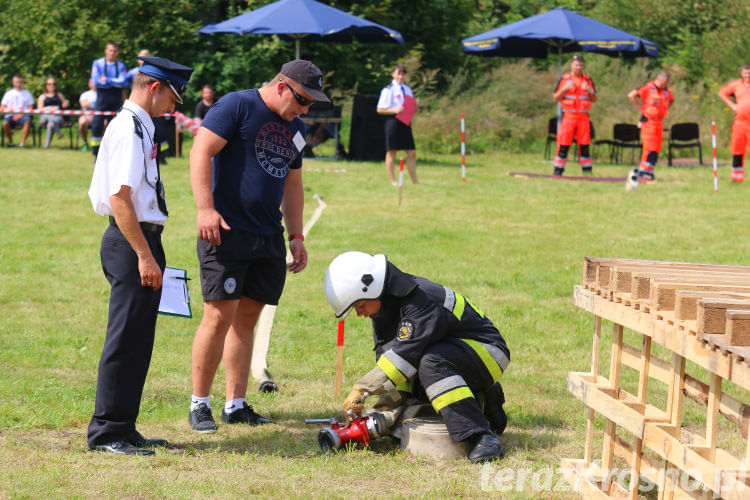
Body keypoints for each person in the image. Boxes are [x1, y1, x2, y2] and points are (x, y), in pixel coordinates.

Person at [187, 59, 328, 432]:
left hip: (268, 236)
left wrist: (296, 236)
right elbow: (200, 151)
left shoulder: (295, 129)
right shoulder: (237, 105)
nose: (304, 109)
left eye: (311, 104)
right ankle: (199, 403)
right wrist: (205, 210)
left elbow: (293, 185)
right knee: (218, 317)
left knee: (247, 319)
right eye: (302, 100)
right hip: (226, 231)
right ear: (282, 86)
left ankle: (235, 404)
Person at [86, 56, 193, 455]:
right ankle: (106, 432)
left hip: (142, 241)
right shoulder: (129, 128)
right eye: (172, 96)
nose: (174, 105)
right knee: (124, 338)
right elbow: (120, 198)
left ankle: (124, 426)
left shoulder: (141, 125)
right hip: (131, 243)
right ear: (154, 87)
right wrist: (144, 256)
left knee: (138, 339)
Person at [324, 251, 510, 463]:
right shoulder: (384, 309)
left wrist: (362, 388)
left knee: (431, 363)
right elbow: (393, 367)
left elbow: (404, 358)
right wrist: (385, 415)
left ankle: (480, 436)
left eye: (359, 305)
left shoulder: (420, 300)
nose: (359, 313)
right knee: (421, 389)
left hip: (488, 351)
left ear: (373, 287)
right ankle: (483, 398)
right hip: (452, 353)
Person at [552, 54, 597, 176]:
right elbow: (555, 98)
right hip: (568, 117)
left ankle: (587, 172)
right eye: (577, 64)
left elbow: (594, 99)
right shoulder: (564, 79)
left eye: (581, 64)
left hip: (583, 118)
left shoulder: (588, 80)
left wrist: (590, 90)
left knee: (584, 145)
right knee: (564, 144)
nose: (579, 67)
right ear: (572, 65)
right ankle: (558, 172)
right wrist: (564, 89)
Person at [628, 72, 674, 181]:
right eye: (663, 83)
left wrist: (665, 109)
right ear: (659, 80)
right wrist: (641, 108)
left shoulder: (666, 91)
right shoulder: (649, 87)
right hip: (649, 121)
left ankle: (649, 170)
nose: (665, 86)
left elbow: (671, 100)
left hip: (659, 121)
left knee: (657, 147)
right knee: (650, 146)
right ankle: (643, 170)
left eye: (666, 84)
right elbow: (631, 95)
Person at [377, 64, 418, 185]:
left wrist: (414, 106)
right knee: (392, 151)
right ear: (393, 74)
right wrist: (395, 110)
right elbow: (380, 109)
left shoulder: (408, 89)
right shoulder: (388, 89)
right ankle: (393, 181)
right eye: (398, 73)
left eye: (403, 73)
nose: (401, 76)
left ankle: (415, 181)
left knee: (411, 152)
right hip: (393, 121)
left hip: (405, 122)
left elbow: (410, 104)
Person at [90, 42, 128, 157]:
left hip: (116, 98)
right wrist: (115, 81)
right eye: (110, 50)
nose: (112, 53)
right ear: (106, 51)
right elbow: (96, 81)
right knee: (96, 124)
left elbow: (123, 82)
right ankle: (96, 153)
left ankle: (115, 152)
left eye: (115, 51)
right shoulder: (98, 63)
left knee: (116, 125)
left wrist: (106, 79)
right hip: (102, 97)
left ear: (118, 53)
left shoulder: (121, 65)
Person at [718, 64, 750, 183]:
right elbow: (722, 93)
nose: (748, 75)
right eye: (746, 72)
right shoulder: (736, 84)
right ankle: (736, 177)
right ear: (742, 73)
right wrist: (732, 106)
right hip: (740, 122)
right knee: (737, 149)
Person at [1, 74, 34, 147]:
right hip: (10, 116)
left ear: (22, 82)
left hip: (23, 116)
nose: (18, 84)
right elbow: (2, 107)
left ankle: (21, 144)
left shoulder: (27, 94)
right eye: (16, 82)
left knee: (28, 122)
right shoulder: (8, 94)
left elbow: (31, 108)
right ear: (13, 83)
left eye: (20, 82)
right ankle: (11, 143)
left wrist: (21, 115)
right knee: (4, 123)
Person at [37, 76, 70, 148]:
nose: (51, 86)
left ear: (56, 85)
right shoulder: (42, 96)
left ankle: (46, 146)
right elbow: (40, 109)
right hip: (44, 118)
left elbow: (65, 105)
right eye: (49, 84)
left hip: (57, 118)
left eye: (54, 84)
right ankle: (58, 132)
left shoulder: (59, 95)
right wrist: (50, 108)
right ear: (46, 85)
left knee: (51, 124)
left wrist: (66, 102)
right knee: (51, 115)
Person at [78, 79, 97, 152]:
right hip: (87, 116)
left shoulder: (103, 94)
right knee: (82, 122)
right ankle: (85, 142)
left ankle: (103, 145)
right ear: (89, 84)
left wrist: (89, 104)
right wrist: (96, 104)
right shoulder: (85, 94)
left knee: (106, 123)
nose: (95, 84)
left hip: (100, 117)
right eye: (93, 82)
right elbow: (84, 105)